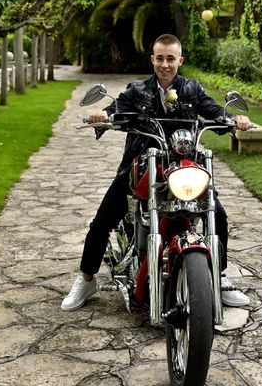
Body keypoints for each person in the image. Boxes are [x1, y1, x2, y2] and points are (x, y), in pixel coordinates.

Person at [61, 34, 251, 311]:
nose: (165, 64)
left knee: (217, 214)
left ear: (180, 61)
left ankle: (217, 278)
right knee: (103, 220)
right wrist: (103, 113)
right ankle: (86, 278)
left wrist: (235, 120)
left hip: (183, 167)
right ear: (153, 59)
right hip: (140, 167)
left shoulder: (192, 89)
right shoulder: (137, 90)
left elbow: (213, 111)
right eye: (160, 58)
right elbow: (118, 108)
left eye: (170, 59)